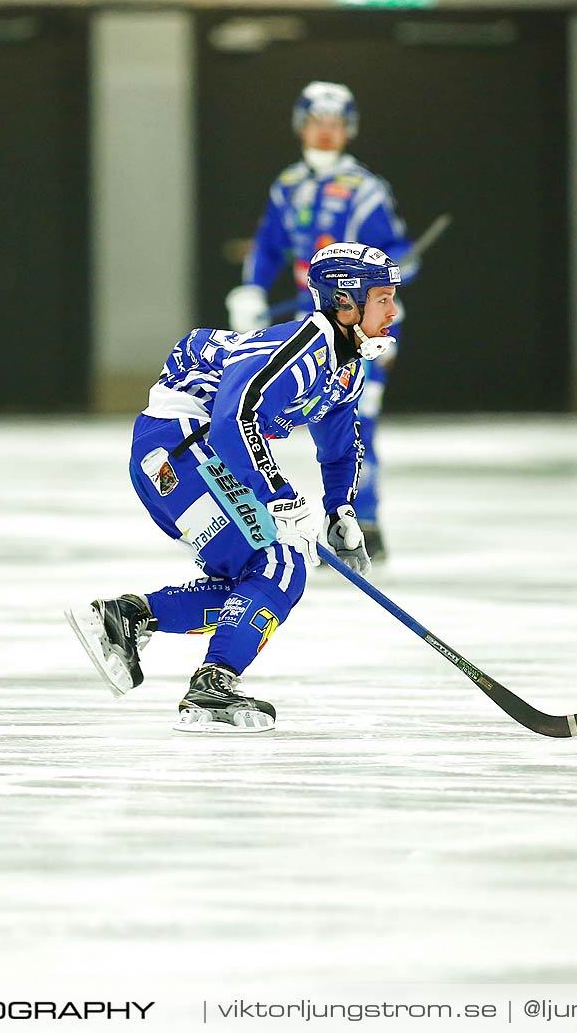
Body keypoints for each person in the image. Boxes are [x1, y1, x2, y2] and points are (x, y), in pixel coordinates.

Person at [69, 243, 403, 733]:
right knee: (281, 561)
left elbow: (337, 445)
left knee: (260, 579)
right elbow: (231, 420)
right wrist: (277, 496)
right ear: (345, 303)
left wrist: (340, 511)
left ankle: (129, 616)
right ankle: (212, 684)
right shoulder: (301, 348)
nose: (393, 310)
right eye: (382, 298)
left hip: (188, 451)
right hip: (180, 445)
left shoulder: (348, 365)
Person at [224, 81, 415, 561]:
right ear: (301, 126)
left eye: (335, 123)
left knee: (354, 422)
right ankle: (260, 517)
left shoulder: (367, 190)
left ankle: (362, 519)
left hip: (357, 326)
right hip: (308, 327)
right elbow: (268, 244)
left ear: (348, 129)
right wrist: (251, 289)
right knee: (263, 413)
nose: (326, 132)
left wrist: (390, 303)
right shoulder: (286, 185)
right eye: (317, 122)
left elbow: (399, 253)